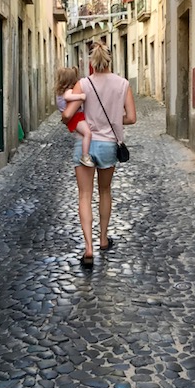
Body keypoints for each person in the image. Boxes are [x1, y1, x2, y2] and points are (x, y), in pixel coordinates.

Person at [62, 42, 136, 268]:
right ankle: (103, 239)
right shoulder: (123, 84)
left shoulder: (82, 84)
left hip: (85, 145)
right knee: (105, 191)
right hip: (108, 145)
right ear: (109, 60)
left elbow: (68, 115)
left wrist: (71, 120)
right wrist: (113, 119)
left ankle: (88, 248)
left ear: (91, 62)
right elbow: (131, 118)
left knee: (84, 195)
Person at [55, 66, 95, 167]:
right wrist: (81, 96)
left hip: (72, 118)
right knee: (88, 133)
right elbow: (68, 97)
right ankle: (85, 156)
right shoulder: (68, 91)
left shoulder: (60, 92)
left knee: (84, 134)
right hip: (75, 116)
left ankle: (85, 152)